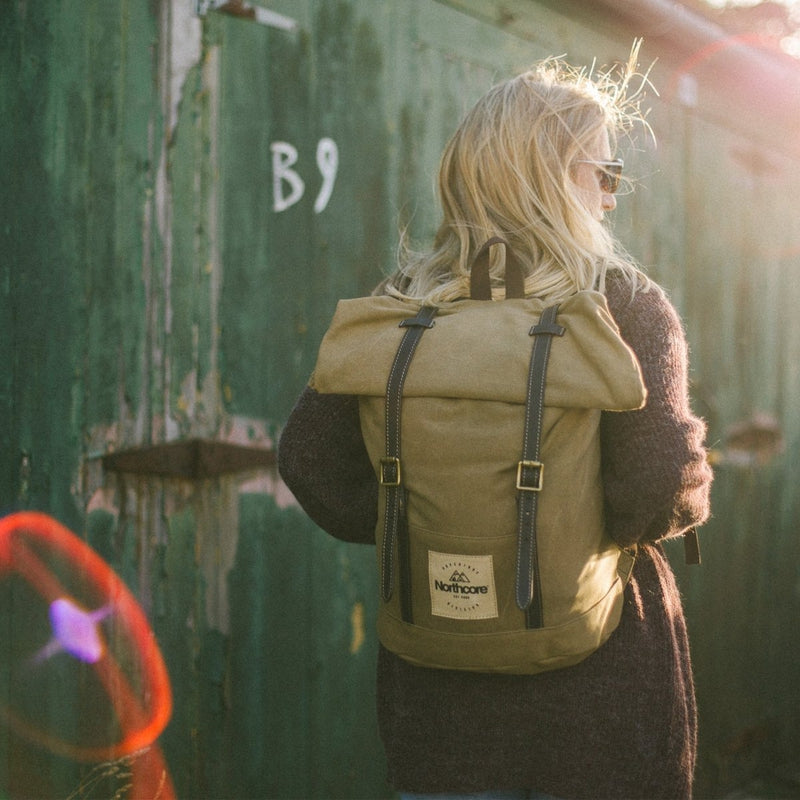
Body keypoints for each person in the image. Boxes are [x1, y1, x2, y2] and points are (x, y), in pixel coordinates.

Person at [278, 50, 713, 800]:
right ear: (551, 181)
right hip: (601, 700)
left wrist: (429, 518)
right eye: (602, 173)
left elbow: (309, 461)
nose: (611, 199)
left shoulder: (404, 306)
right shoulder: (625, 307)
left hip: (440, 712)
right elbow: (656, 490)